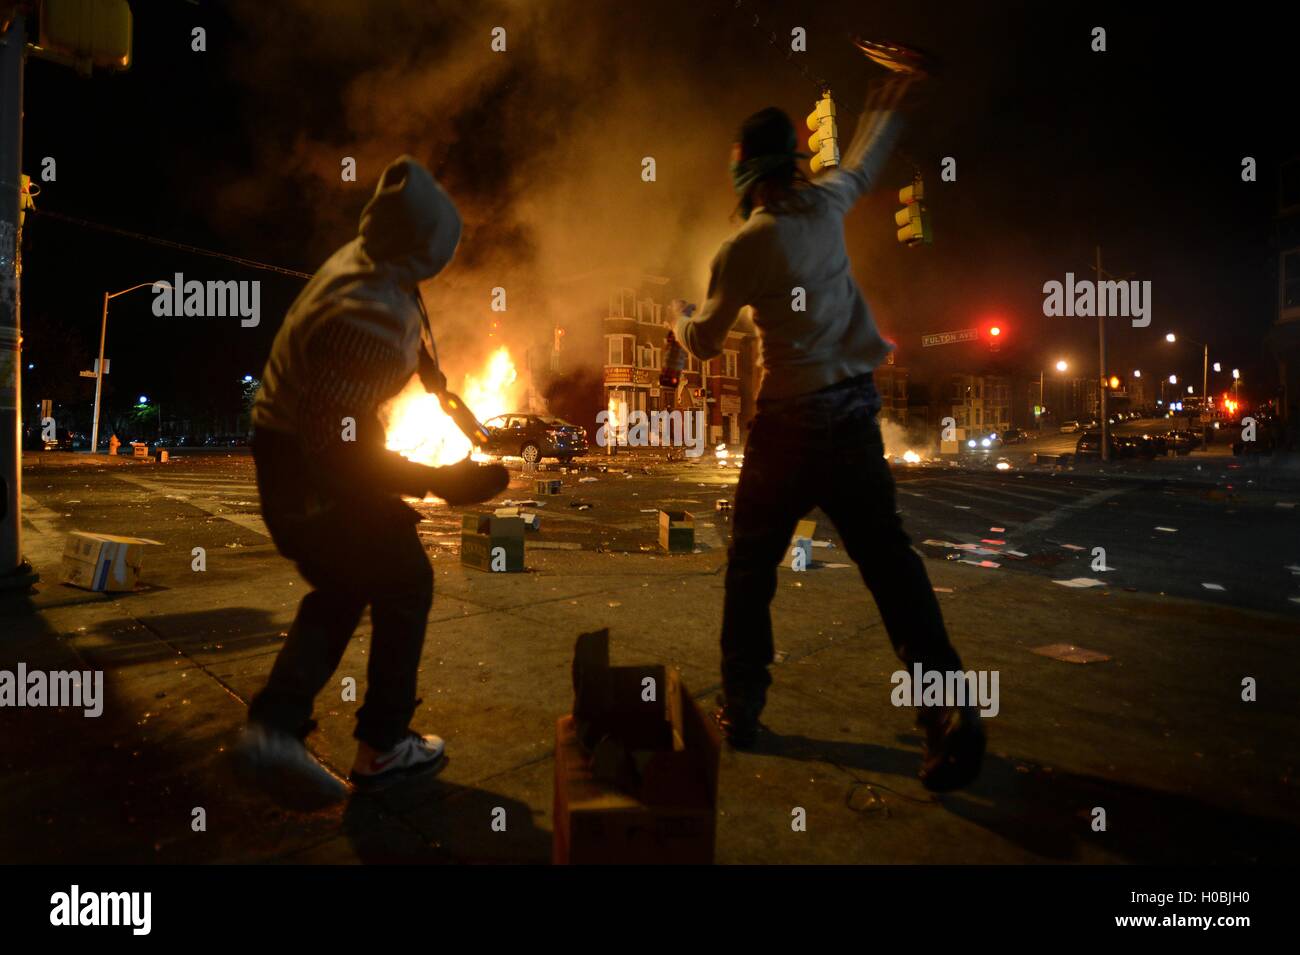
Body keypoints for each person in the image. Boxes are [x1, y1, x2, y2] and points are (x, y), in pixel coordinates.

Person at [671, 78, 984, 791]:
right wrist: (890, 105)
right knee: (891, 566)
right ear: (793, 163)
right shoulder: (830, 201)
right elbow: (869, 163)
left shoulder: (744, 246)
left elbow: (706, 342)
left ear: (745, 176)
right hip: (851, 415)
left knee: (752, 569)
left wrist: (678, 319)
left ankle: (743, 704)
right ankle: (949, 711)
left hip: (786, 426)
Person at [238, 155, 508, 802]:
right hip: (302, 469)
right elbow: (336, 443)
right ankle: (381, 744)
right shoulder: (368, 311)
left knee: (350, 580)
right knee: (400, 578)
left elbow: (407, 328)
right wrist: (440, 483)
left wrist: (439, 388)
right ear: (418, 253)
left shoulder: (369, 257)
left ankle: (279, 726)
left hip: (302, 454)